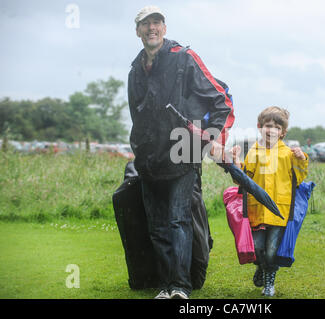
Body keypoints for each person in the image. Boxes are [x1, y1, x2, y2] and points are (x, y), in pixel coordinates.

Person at [128, 6, 234, 299]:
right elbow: (137, 116)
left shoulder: (184, 58)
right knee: (158, 225)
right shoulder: (135, 69)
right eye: (145, 24)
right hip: (149, 158)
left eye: (156, 23)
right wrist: (140, 150)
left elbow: (222, 101)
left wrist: (213, 139)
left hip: (182, 151)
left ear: (164, 27)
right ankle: (166, 286)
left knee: (177, 220)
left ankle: (181, 287)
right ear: (137, 31)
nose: (151, 28)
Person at [230, 106, 309, 297]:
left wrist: (301, 159)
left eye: (276, 127)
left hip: (279, 210)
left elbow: (298, 178)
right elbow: (243, 178)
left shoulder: (288, 154)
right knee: (257, 249)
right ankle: (261, 267)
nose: (271, 130)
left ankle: (269, 283)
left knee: (272, 250)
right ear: (260, 127)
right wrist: (235, 162)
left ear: (283, 132)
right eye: (268, 125)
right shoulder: (254, 152)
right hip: (257, 209)